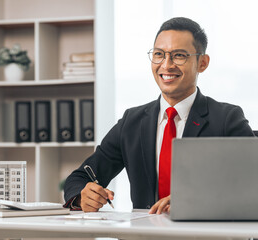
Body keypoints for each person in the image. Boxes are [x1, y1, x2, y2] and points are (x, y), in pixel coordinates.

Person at [63, 17, 255, 214]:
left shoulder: (226, 119)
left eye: (179, 55)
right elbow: (79, 178)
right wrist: (82, 196)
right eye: (159, 54)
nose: (167, 65)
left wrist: (195, 200)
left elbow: (252, 184)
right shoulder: (132, 122)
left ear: (202, 63)